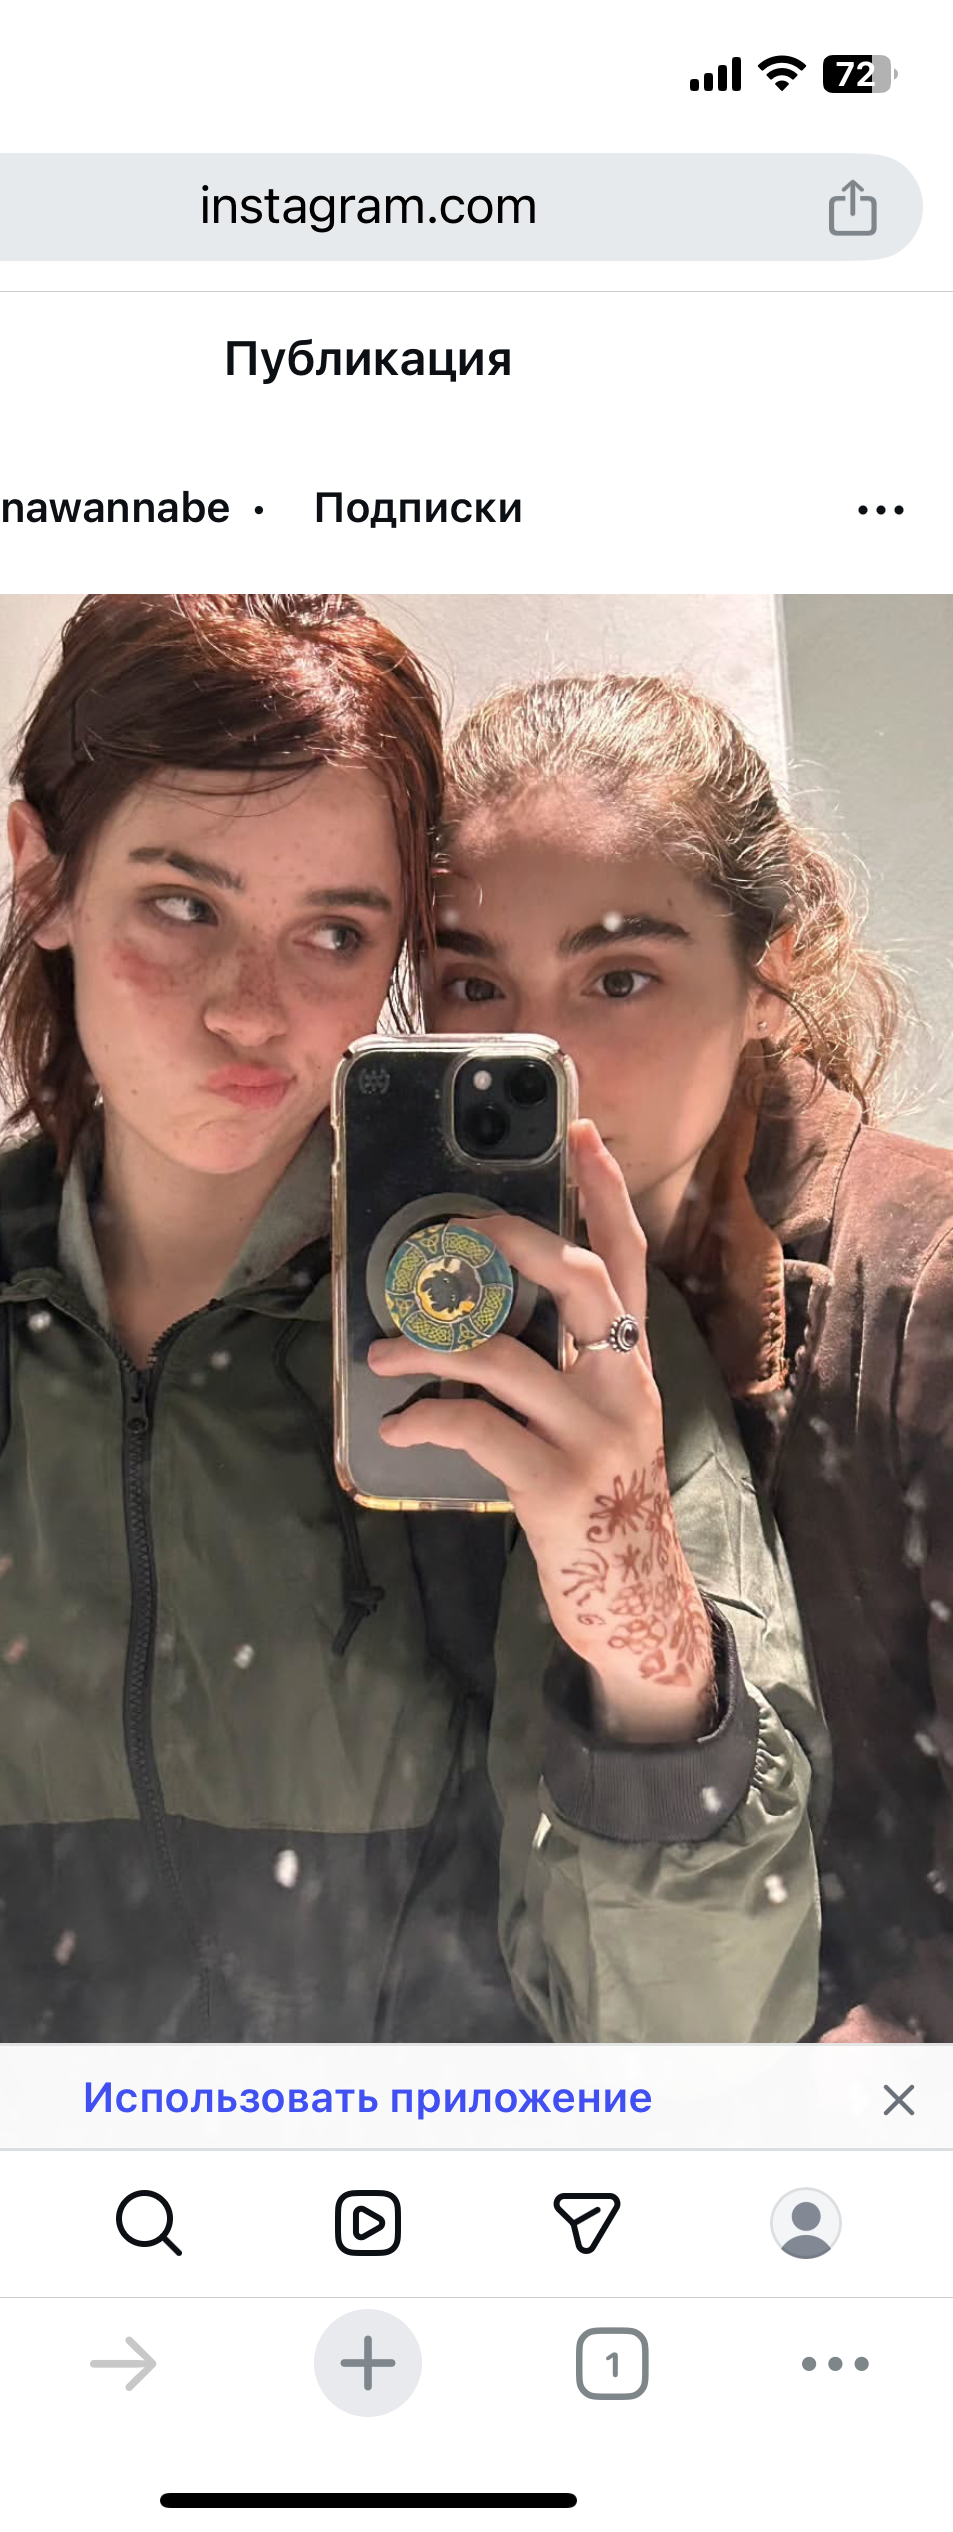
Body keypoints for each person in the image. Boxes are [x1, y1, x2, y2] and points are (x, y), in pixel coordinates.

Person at [0, 596, 821, 2046]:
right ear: (44, 878)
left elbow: (703, 2040)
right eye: (185, 906)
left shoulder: (543, 1332)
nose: (252, 1011)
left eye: (335, 932)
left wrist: (644, 1642)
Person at [430, 669, 953, 2040]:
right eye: (473, 982)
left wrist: (898, 2043)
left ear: (773, 969)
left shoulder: (923, 1292)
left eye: (619, 977)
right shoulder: (429, 1297)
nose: (533, 1053)